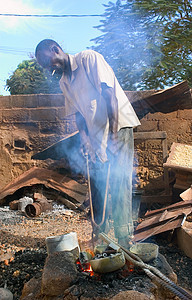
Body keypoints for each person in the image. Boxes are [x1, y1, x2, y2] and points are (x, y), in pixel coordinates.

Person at [35, 39, 140, 248]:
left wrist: (113, 136)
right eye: (43, 65)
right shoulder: (64, 82)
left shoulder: (88, 59)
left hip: (118, 126)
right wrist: (85, 139)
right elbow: (79, 116)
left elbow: (110, 96)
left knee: (118, 180)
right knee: (96, 181)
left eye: (46, 61)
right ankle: (100, 235)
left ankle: (123, 238)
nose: (47, 67)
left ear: (56, 50)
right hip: (95, 134)